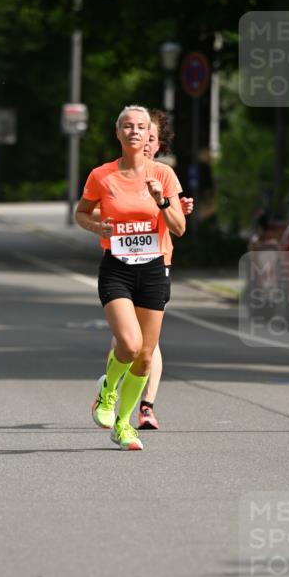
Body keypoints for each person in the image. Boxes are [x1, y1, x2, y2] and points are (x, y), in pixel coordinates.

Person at [75, 105, 185, 451]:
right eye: (128, 126)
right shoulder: (101, 176)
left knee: (147, 356)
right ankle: (108, 390)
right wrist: (97, 226)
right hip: (117, 268)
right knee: (129, 344)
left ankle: (123, 424)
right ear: (118, 133)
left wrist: (162, 201)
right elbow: (81, 213)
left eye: (141, 126)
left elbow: (180, 228)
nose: (135, 131)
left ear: (149, 133)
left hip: (153, 269)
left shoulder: (164, 175)